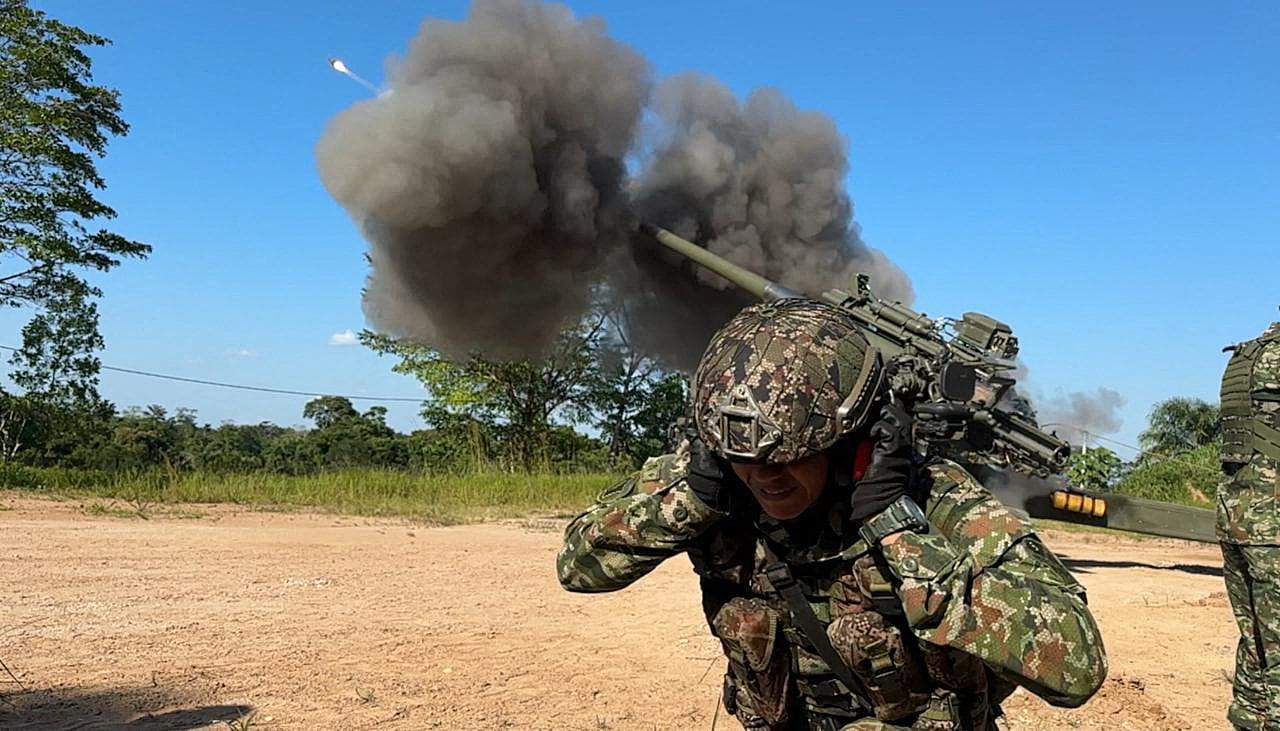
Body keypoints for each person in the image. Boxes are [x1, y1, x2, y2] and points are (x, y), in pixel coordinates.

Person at [557, 298, 1107, 730]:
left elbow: (1077, 668)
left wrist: (897, 530)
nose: (764, 478)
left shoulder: (936, 499)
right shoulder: (715, 474)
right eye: (743, 460)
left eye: (790, 458)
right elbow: (578, 566)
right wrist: (694, 498)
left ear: (851, 443)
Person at [1219, 320, 1280, 730]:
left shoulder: (1248, 354)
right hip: (1274, 523)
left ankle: (1250, 720)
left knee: (1256, 640)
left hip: (1238, 520)